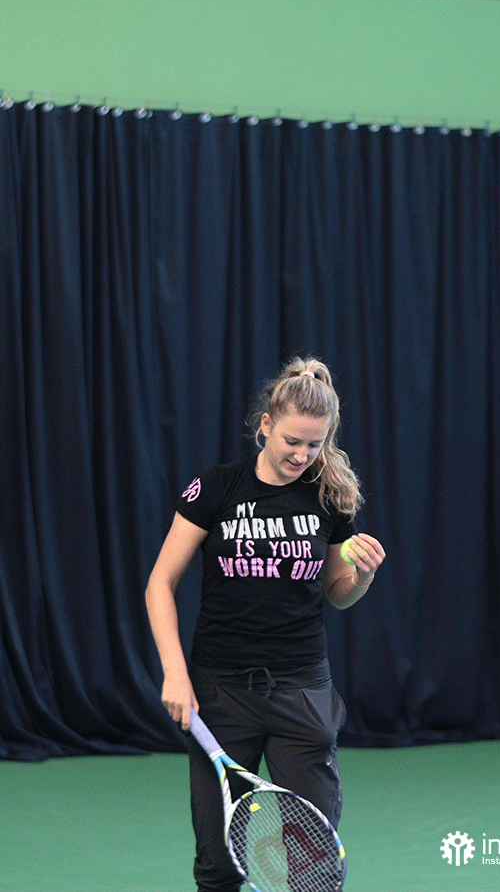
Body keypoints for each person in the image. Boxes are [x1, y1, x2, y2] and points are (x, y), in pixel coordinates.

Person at [145, 356, 385, 892]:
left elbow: (338, 593)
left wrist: (363, 576)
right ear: (266, 425)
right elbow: (159, 584)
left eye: (315, 445)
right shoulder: (215, 488)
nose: (302, 455)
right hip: (221, 691)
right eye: (292, 441)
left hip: (302, 690)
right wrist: (175, 673)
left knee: (312, 859)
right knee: (218, 860)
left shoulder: (329, 498)